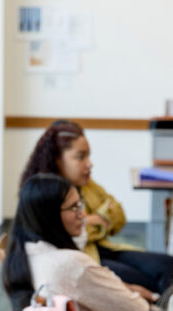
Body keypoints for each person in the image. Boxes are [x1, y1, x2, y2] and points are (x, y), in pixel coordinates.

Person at [3, 173, 153, 311]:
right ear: (49, 216)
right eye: (74, 208)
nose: (82, 214)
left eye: (80, 204)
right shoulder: (72, 265)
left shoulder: (23, 256)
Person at [20, 120, 173, 295]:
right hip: (81, 260)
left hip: (102, 248)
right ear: (57, 159)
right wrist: (99, 220)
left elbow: (118, 215)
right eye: (80, 156)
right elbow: (63, 234)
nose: (89, 163)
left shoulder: (86, 184)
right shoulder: (42, 194)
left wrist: (90, 222)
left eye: (88, 156)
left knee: (168, 265)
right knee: (151, 280)